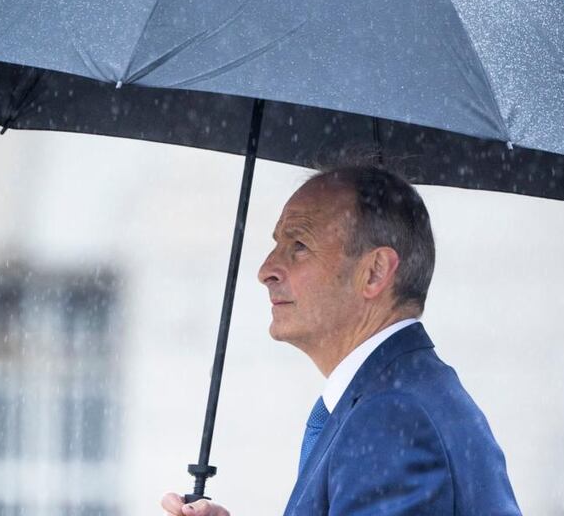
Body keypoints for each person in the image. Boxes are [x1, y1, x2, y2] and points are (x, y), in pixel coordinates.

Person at [162, 165, 521, 515]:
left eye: (299, 244)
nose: (266, 270)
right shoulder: (407, 395)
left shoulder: (392, 417)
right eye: (278, 244)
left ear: (375, 271)